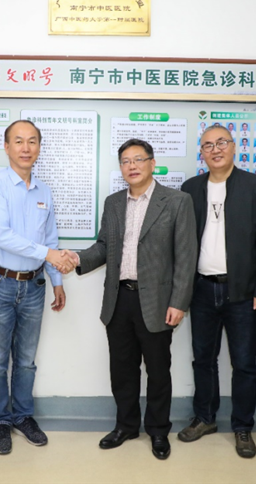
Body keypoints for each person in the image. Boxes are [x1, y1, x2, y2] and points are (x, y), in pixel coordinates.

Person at [71, 138, 197, 460]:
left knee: (158, 371)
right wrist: (77, 259)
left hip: (158, 301)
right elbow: (104, 246)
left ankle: (158, 430)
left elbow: (186, 256)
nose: (132, 166)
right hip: (119, 300)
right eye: (126, 161)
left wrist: (179, 302)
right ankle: (126, 426)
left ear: (152, 163)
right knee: (122, 370)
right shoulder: (114, 202)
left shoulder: (177, 201)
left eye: (138, 159)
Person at [178, 123, 256, 459]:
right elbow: (181, 243)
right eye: (208, 145)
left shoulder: (254, 186)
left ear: (234, 147)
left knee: (244, 363)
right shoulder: (190, 188)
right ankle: (205, 418)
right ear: (201, 152)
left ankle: (243, 426)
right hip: (202, 289)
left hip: (242, 292)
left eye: (222, 142)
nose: (215, 149)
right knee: (203, 359)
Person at [0, 120, 72, 455]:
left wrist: (57, 280)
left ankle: (22, 416)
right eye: (18, 141)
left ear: (39, 148)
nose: (25, 147)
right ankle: (1, 421)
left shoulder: (43, 190)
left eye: (32, 141)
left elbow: (51, 238)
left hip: (34, 285)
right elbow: (2, 236)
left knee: (27, 360)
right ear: (7, 147)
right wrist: (49, 255)